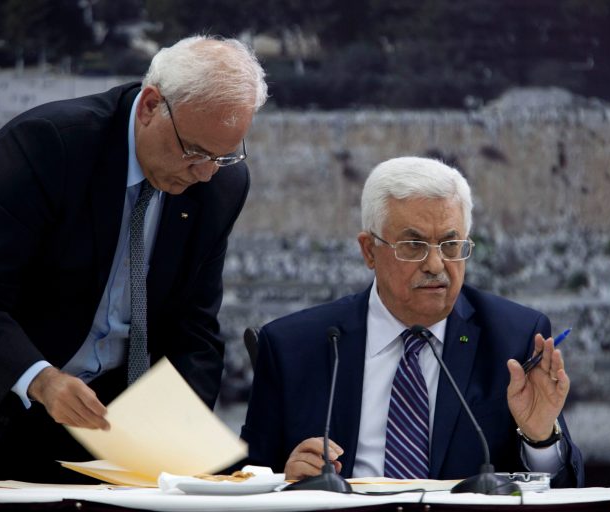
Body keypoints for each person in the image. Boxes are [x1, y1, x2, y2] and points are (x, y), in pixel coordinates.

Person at [0, 35, 267, 482]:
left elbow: (195, 327)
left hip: (112, 437)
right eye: (194, 151)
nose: (205, 172)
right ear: (151, 105)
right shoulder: (48, 147)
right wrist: (41, 379)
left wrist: (179, 439)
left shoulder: (221, 185)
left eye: (224, 155)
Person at [242, 156, 585, 487]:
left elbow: (566, 488)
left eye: (450, 245)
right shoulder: (294, 347)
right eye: (413, 245)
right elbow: (247, 481)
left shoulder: (513, 338)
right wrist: (283, 480)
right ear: (369, 251)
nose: (435, 264)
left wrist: (539, 439)